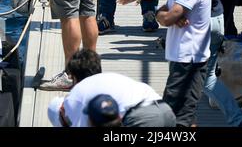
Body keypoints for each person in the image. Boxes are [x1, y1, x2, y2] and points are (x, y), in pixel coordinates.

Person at [156, 0, 211, 127]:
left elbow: (169, 16)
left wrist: (164, 15)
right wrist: (164, 14)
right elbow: (167, 12)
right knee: (185, 117)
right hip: (182, 59)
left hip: (188, 62)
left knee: (176, 119)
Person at [47, 49, 176, 127]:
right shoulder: (111, 78)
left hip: (139, 119)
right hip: (166, 111)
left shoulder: (76, 95)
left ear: (74, 77)